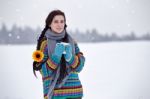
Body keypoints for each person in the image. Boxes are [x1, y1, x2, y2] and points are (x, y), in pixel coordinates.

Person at [33, 9, 85, 99]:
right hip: (56, 94)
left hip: (75, 92)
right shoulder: (45, 44)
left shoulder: (72, 41)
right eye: (56, 21)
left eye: (62, 21)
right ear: (50, 24)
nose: (59, 24)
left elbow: (80, 67)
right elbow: (43, 71)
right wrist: (55, 57)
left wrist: (70, 58)